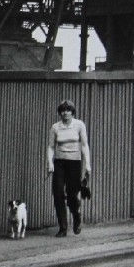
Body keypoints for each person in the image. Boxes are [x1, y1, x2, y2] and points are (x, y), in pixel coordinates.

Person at [46, 99, 91, 236]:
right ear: (60, 113)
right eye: (63, 110)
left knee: (72, 195)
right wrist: (50, 163)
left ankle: (76, 216)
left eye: (68, 110)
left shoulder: (79, 125)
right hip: (60, 163)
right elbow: (51, 147)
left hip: (74, 164)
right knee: (58, 193)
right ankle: (63, 227)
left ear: (72, 112)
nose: (66, 113)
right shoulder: (55, 127)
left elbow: (84, 146)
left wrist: (88, 165)